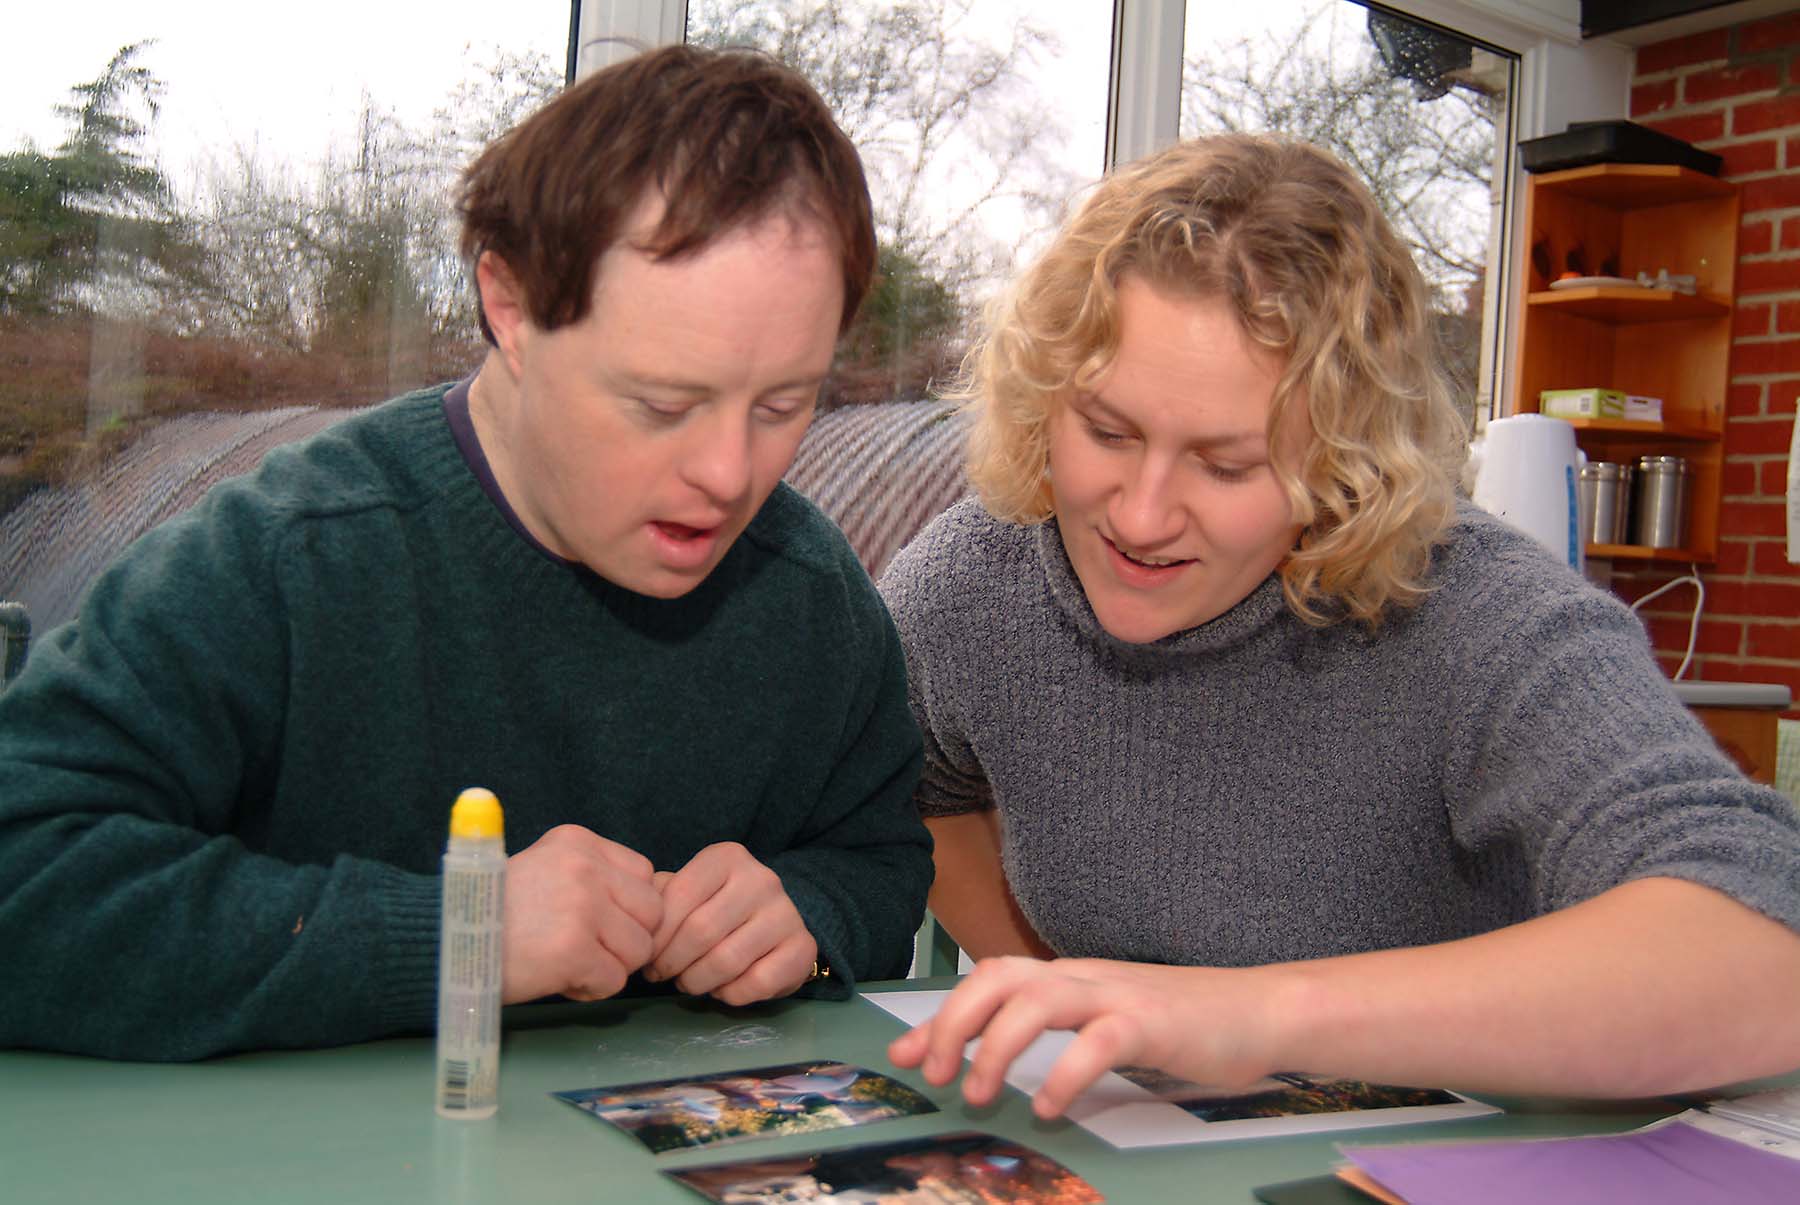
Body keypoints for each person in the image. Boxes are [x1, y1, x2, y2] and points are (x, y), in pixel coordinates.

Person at [0, 45, 932, 1060]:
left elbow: (880, 864)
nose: (727, 471)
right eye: (664, 403)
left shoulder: (813, 600)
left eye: (784, 404)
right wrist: (450, 935)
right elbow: (24, 873)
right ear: (512, 305)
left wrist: (806, 912)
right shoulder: (288, 557)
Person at [878, 132, 1800, 1118]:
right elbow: (912, 785)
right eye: (1106, 431)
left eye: (1228, 464)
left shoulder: (1481, 616)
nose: (1140, 516)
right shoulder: (973, 579)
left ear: (1345, 460)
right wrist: (1071, 1000)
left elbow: (1767, 952)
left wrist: (1252, 1015)